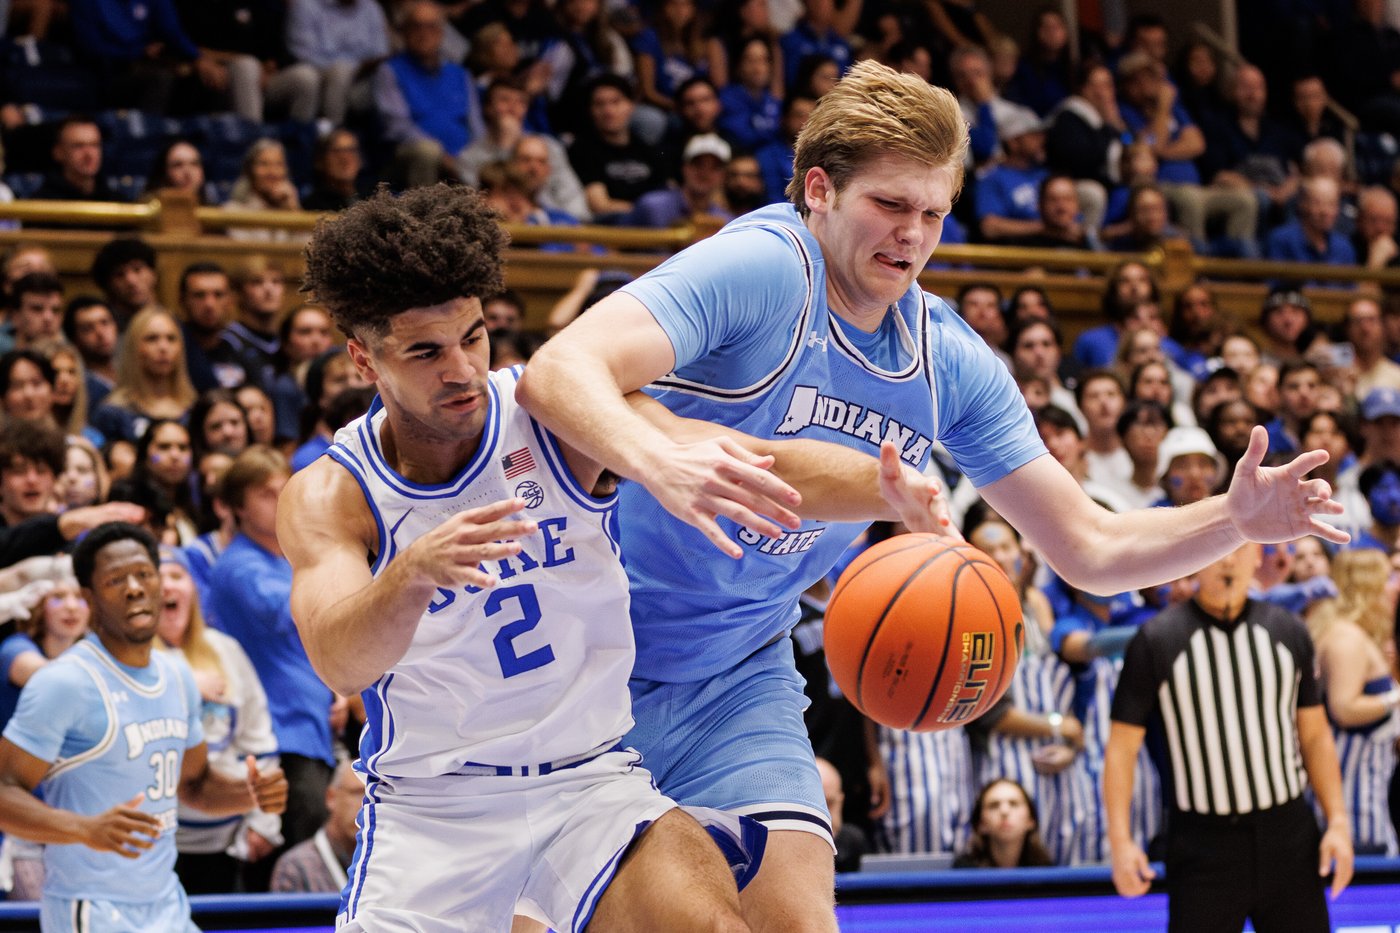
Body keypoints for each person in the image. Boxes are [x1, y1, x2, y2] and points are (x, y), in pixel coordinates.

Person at [515, 60, 1351, 930]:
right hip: (585, 658)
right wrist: (663, 455)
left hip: (737, 673)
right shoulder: (764, 268)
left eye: (933, 213)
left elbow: (1091, 550)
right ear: (820, 191)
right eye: (889, 204)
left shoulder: (948, 361)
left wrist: (1234, 517)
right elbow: (558, 370)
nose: (911, 235)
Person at [278, 185, 767, 932]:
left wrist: (888, 488)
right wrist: (410, 573)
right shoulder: (332, 494)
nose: (462, 370)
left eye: (472, 337)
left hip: (591, 782)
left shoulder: (550, 413)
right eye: (426, 351)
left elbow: (725, 453)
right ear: (362, 359)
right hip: (435, 810)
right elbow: (340, 662)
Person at [0, 522, 287, 930]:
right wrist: (85, 829)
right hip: (91, 909)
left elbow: (195, 786)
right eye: (116, 580)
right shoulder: (64, 682)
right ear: (89, 598)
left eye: (144, 574)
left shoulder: (178, 677)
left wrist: (250, 793)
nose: (134, 588)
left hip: (166, 903)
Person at [1105, 541, 1354, 931]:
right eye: (1216, 548)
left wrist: (1337, 821)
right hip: (1202, 845)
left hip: (1288, 836)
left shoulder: (1289, 631)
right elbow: (1122, 749)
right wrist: (1120, 842)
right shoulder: (1156, 640)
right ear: (1194, 560)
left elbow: (1316, 737)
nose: (1227, 560)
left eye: (1239, 548)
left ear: (1258, 555)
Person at [156, 546, 281, 894]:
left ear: (194, 590)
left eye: (177, 576)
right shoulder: (133, 662)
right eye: (157, 577)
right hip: (156, 845)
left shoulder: (225, 649)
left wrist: (263, 820)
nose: (167, 586)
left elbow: (259, 740)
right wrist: (184, 681)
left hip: (228, 840)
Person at [268, 759, 361, 894]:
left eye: (376, 797)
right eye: (358, 793)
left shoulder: (387, 864)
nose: (367, 806)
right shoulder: (295, 867)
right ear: (331, 797)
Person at [952, 778, 1054, 868]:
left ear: (1031, 821)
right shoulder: (965, 872)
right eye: (994, 805)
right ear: (981, 824)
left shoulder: (1046, 873)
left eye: (1014, 804)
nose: (1004, 811)